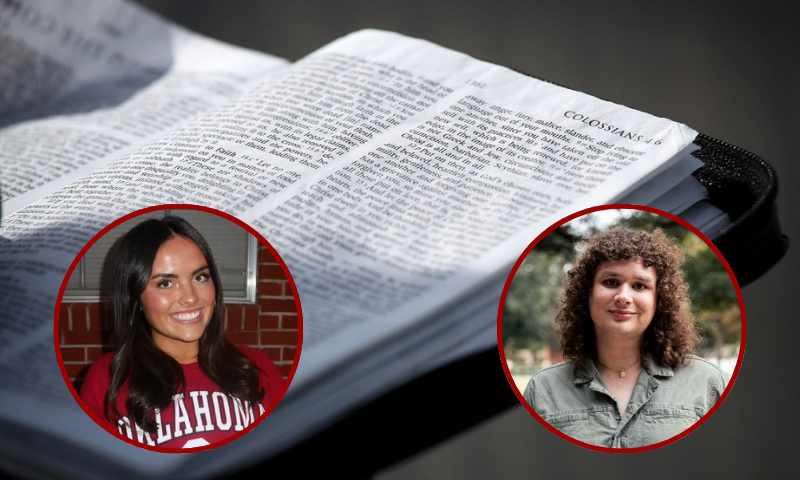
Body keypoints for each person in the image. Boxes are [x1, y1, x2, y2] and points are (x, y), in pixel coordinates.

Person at [80, 216, 284, 449]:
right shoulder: (106, 379)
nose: (190, 297)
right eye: (165, 283)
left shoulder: (257, 367)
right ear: (135, 297)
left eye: (200, 277)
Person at [523, 227, 728, 448]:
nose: (623, 297)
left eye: (639, 286)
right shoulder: (543, 389)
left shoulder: (708, 383)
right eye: (611, 282)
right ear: (587, 293)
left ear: (659, 300)